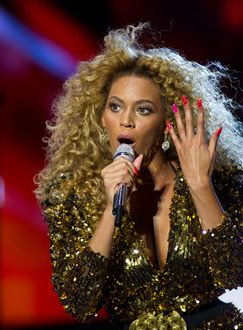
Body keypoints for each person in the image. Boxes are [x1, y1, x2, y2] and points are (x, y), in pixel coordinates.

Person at [34, 23, 243, 329]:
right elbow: (79, 303)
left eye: (143, 110)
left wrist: (201, 187)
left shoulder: (213, 178)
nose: (127, 121)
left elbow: (235, 276)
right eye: (115, 107)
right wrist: (109, 211)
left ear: (166, 121)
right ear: (100, 118)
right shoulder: (73, 193)